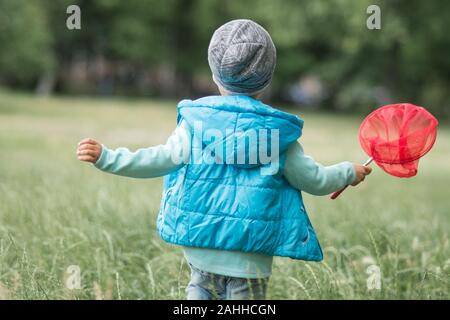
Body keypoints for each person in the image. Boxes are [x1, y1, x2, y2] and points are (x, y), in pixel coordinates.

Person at [76, 19, 371, 300]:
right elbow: (316, 180)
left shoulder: (194, 125)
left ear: (215, 75)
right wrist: (348, 172)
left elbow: (158, 160)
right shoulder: (278, 138)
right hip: (251, 257)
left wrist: (108, 157)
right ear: (267, 79)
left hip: (200, 246)